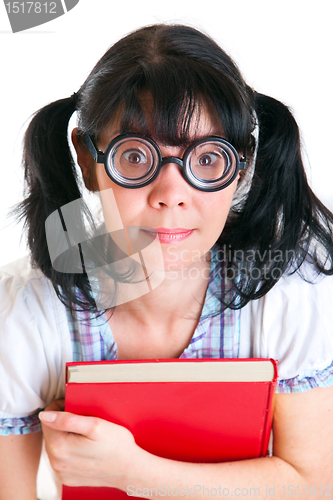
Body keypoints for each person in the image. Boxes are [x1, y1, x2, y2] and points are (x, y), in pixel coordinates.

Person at [0, 23, 333, 499]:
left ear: (241, 166)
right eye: (135, 157)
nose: (171, 196)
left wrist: (133, 471)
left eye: (206, 160)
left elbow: (316, 486)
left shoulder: (289, 291)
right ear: (87, 161)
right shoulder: (24, 317)